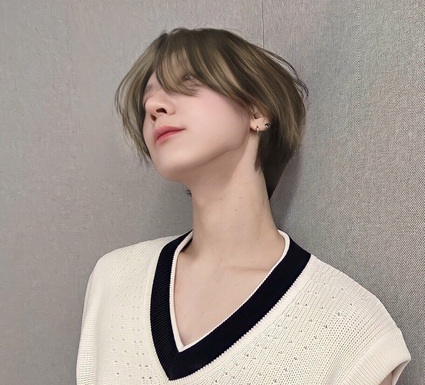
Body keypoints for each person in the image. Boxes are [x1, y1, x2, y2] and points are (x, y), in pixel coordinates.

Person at [76, 28, 410, 384]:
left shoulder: (351, 332)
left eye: (187, 81)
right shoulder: (114, 280)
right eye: (148, 97)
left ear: (257, 109)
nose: (153, 106)